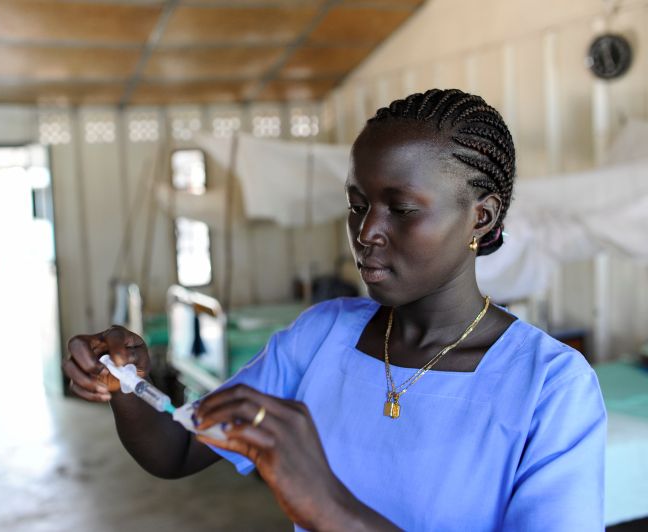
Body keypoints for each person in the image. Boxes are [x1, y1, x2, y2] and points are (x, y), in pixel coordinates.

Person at [63, 89, 606, 531]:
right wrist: (127, 386)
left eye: (401, 209)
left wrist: (329, 506)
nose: (366, 232)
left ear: (481, 219)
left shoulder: (549, 387)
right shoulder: (320, 337)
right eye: (357, 204)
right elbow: (177, 451)